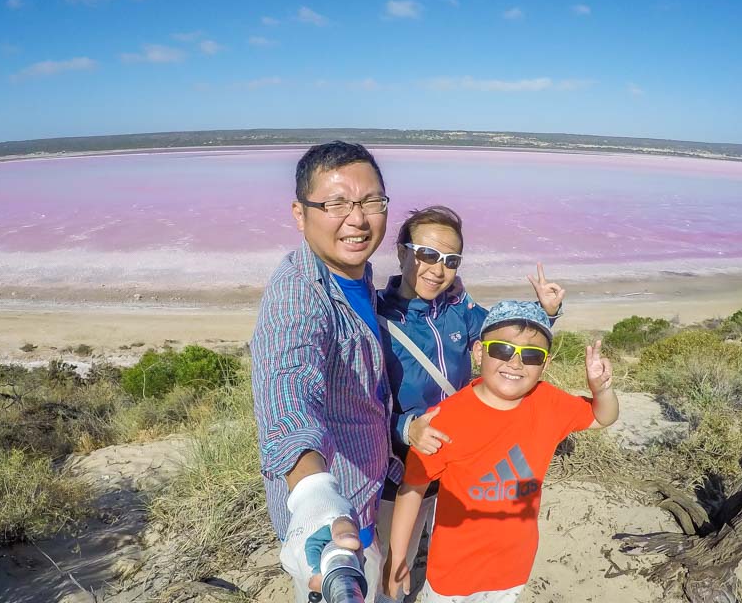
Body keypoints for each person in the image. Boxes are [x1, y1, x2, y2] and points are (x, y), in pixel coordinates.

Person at [374, 206, 565, 591]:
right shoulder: (375, 317)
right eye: (426, 254)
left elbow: (510, 338)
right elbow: (355, 404)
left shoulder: (460, 311)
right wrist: (405, 428)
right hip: (400, 469)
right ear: (401, 251)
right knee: (391, 569)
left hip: (459, 469)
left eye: (451, 261)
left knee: (448, 551)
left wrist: (547, 312)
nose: (437, 269)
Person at [383, 301, 619, 603]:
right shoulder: (444, 419)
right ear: (480, 351)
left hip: (513, 568)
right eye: (503, 350)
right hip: (453, 573)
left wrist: (602, 390)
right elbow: (413, 488)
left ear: (544, 365)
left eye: (531, 355)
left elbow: (602, 417)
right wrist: (398, 557)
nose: (516, 363)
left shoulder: (548, 403)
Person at [251, 141, 395, 603]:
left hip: (372, 495)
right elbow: (287, 391)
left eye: (370, 201)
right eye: (335, 203)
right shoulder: (299, 295)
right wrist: (315, 496)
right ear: (300, 214)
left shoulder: (357, 275)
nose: (357, 218)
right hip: (334, 526)